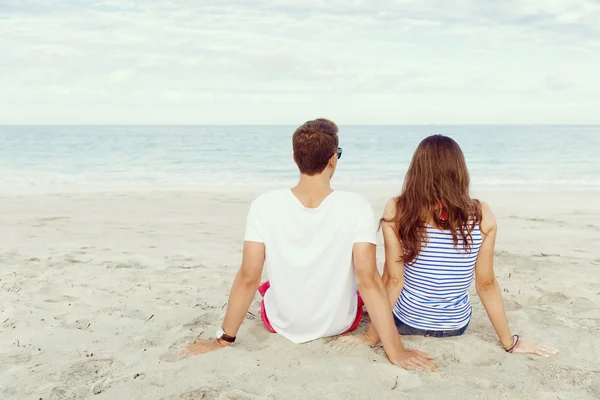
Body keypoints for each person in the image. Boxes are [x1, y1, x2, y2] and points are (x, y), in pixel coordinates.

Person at [184, 118, 437, 371]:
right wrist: (397, 351)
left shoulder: (264, 205)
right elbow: (368, 279)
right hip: (339, 324)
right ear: (332, 159)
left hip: (281, 324)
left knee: (267, 285)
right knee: (360, 288)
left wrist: (223, 339)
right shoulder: (356, 206)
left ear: (295, 159)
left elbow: (248, 277)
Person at [354, 134, 557, 356]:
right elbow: (486, 284)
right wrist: (510, 343)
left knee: (363, 296)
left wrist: (372, 336)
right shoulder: (482, 215)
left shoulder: (398, 209)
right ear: (460, 172)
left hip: (406, 321)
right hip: (456, 326)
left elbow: (394, 279)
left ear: (416, 171)